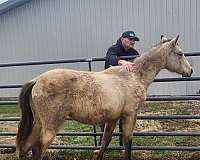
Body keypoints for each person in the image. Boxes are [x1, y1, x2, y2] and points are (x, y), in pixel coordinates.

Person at [97, 30, 140, 150]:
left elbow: (139, 64)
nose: (132, 42)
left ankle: (123, 145)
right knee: (106, 117)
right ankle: (102, 144)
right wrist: (121, 61)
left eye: (134, 40)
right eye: (130, 39)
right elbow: (110, 59)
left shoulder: (134, 52)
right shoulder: (114, 49)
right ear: (122, 39)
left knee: (124, 118)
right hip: (109, 89)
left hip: (125, 91)